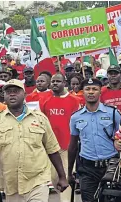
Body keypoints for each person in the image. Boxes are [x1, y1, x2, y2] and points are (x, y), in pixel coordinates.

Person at [0, 79, 69, 202]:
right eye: (8, 92)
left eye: (16, 91)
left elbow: (52, 148)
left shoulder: (40, 119)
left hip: (38, 181)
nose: (12, 94)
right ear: (3, 96)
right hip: (12, 185)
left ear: (24, 94)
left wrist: (62, 176)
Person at [68, 78, 121, 202]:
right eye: (87, 89)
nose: (91, 92)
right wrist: (69, 172)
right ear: (83, 92)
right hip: (87, 169)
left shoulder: (113, 113)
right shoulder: (75, 117)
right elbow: (72, 146)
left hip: (111, 166)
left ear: (100, 92)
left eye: (94, 89)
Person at [39, 73, 81, 202]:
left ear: (64, 83)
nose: (55, 83)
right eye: (53, 81)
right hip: (51, 148)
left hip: (68, 147)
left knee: (67, 178)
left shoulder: (74, 101)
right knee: (55, 179)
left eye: (58, 81)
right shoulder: (44, 100)